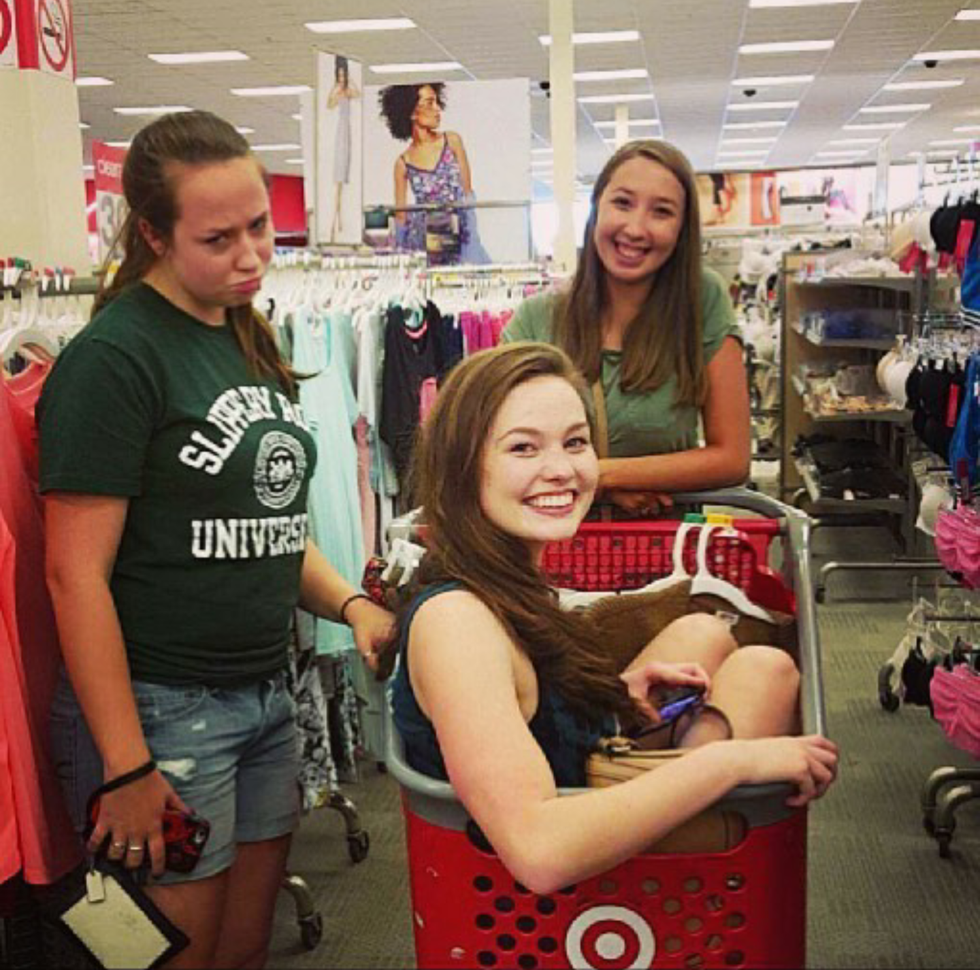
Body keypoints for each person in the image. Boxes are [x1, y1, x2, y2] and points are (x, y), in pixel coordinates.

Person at [38, 110, 394, 969]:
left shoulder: (243, 331)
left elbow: (272, 528)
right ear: (154, 235)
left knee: (243, 951)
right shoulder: (114, 359)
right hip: (162, 710)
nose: (250, 255)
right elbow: (72, 576)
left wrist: (352, 605)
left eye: (259, 226)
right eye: (218, 238)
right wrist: (127, 767)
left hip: (265, 694)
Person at [391, 342, 837, 894]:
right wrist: (731, 762)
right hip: (542, 904)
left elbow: (523, 708)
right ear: (462, 466)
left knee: (709, 636)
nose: (561, 470)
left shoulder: (503, 579)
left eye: (575, 442)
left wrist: (607, 695)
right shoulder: (456, 623)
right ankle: (694, 882)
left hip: (577, 782)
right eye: (523, 448)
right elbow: (539, 852)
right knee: (767, 673)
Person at [502, 139, 750, 516]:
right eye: (622, 203)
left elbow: (731, 459)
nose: (635, 228)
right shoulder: (535, 320)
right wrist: (602, 486)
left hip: (667, 544)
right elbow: (496, 452)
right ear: (596, 208)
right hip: (551, 541)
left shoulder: (702, 301)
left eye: (661, 212)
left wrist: (602, 477)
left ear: (681, 230)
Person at [378, 82, 486, 264]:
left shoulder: (452, 141)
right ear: (412, 113)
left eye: (437, 102)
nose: (437, 109)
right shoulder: (403, 162)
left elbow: (467, 196)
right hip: (425, 243)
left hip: (460, 237)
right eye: (429, 103)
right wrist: (399, 258)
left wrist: (471, 245)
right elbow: (401, 217)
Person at [326, 55, 360, 243]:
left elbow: (358, 94)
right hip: (340, 132)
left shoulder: (348, 91)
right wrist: (334, 89)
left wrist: (350, 81)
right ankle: (335, 222)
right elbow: (329, 105)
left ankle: (338, 221)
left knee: (343, 176)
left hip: (347, 132)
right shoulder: (338, 93)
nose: (341, 79)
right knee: (338, 176)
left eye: (343, 75)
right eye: (338, 75)